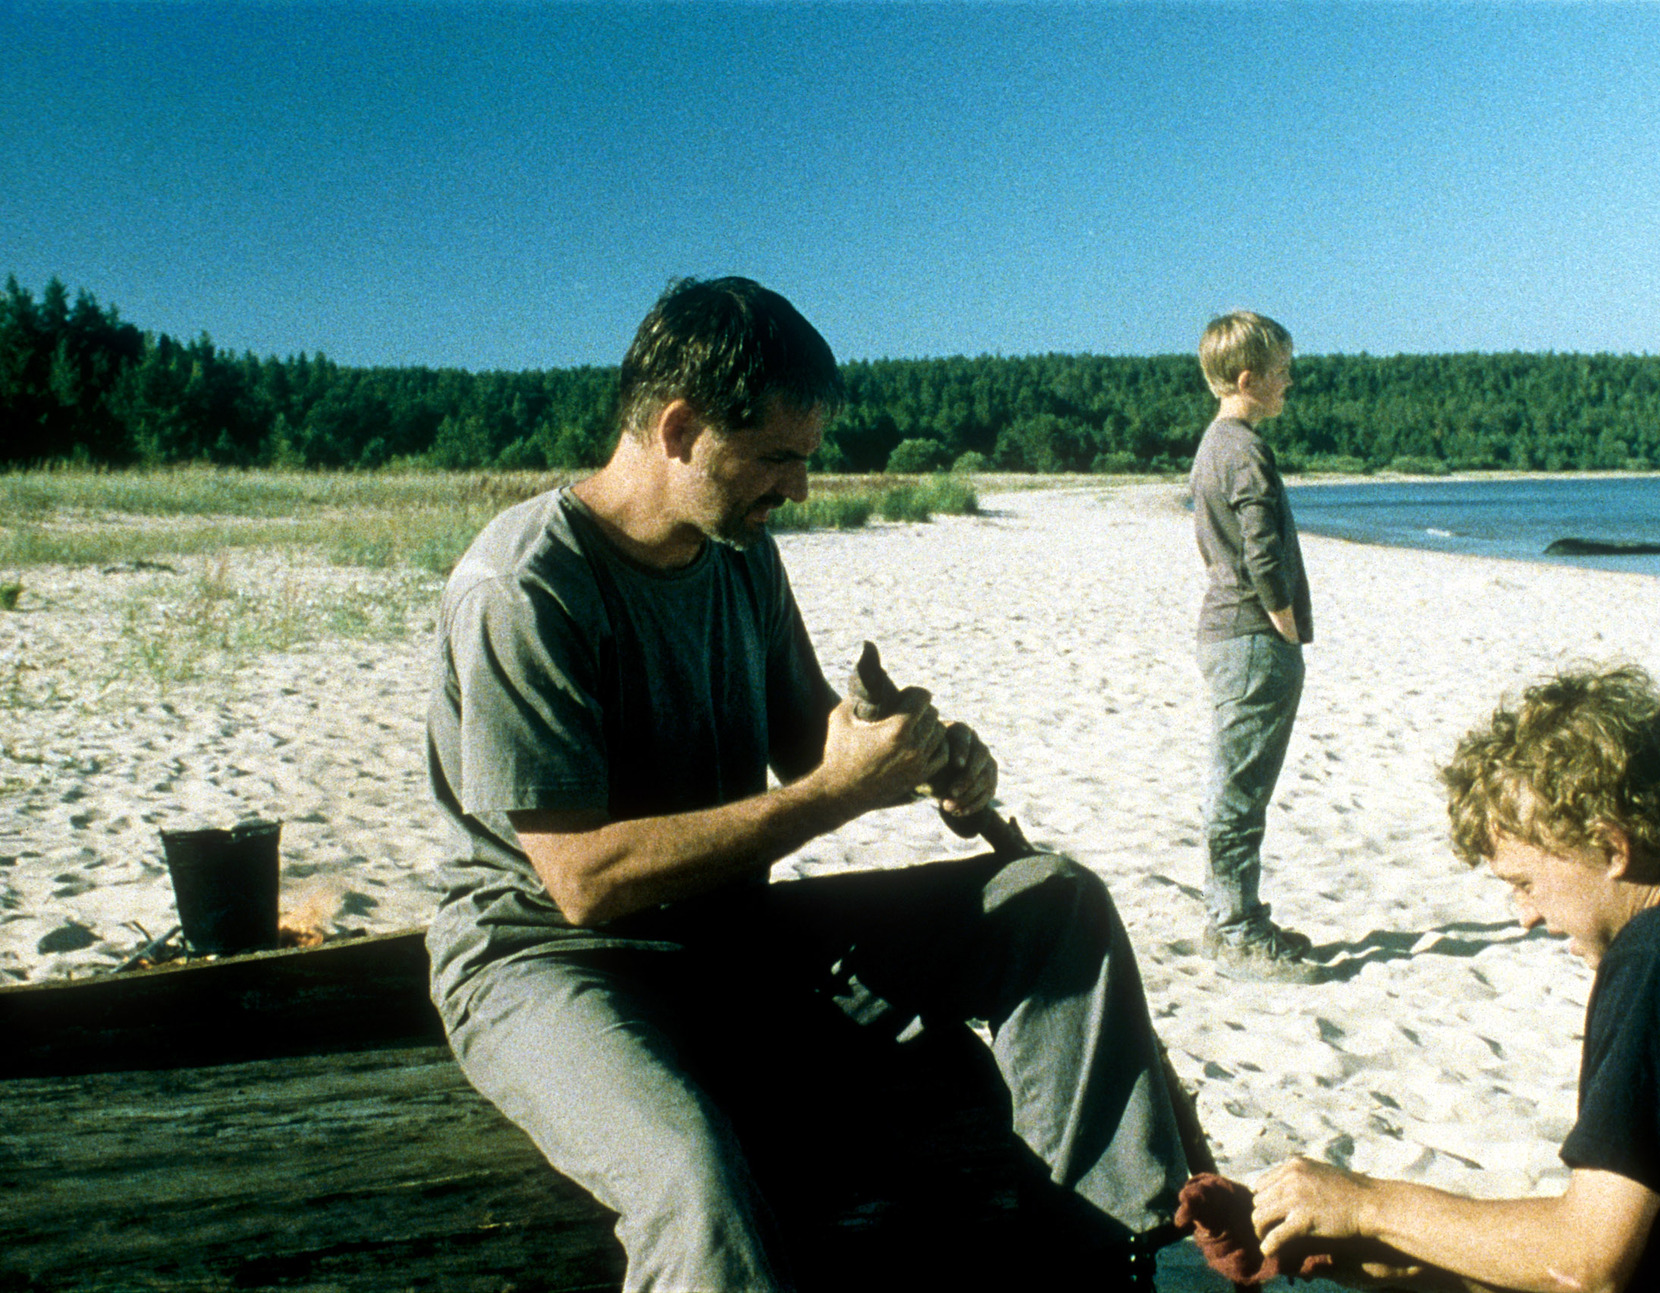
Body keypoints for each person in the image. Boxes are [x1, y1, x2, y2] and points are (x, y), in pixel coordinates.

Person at [424, 277, 1189, 1292]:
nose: (796, 487)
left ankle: (1108, 1252)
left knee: (1052, 901)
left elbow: (804, 739)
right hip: (548, 961)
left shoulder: (735, 551)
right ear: (680, 426)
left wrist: (912, 753)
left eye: (804, 459)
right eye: (777, 457)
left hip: (726, 939)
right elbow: (583, 881)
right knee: (698, 1185)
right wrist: (838, 792)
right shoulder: (524, 586)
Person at [1250, 665, 1660, 1292]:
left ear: (1612, 847)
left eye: (1525, 880)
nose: (1526, 915)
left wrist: (1367, 1205)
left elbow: (1588, 1263)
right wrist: (1381, 1255)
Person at [1188, 310, 1319, 982]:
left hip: (1229, 631)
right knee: (1240, 789)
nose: (1289, 382)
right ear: (1249, 378)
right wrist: (1286, 623)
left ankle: (1236, 917)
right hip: (1251, 635)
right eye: (1282, 372)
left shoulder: (1216, 445)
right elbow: (1261, 551)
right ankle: (1236, 930)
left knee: (1233, 783)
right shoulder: (1242, 449)